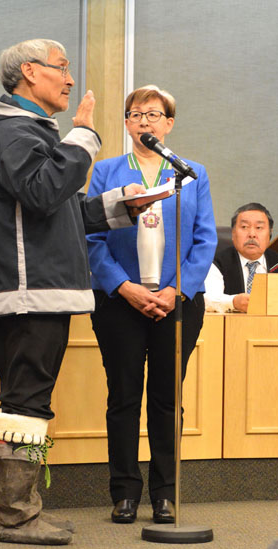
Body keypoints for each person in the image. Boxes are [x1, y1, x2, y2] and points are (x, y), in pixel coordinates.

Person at [0, 38, 145, 546]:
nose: (70, 80)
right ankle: (16, 517)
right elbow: (46, 190)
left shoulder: (29, 132)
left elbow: (58, 208)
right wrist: (85, 136)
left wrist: (118, 206)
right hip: (29, 291)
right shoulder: (11, 131)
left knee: (27, 399)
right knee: (25, 401)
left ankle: (22, 511)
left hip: (42, 289)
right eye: (62, 69)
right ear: (29, 71)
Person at [86, 85, 216, 525]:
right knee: (123, 396)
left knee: (166, 398)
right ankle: (124, 492)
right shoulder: (105, 171)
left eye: (154, 114)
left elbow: (205, 239)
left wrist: (175, 289)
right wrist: (124, 287)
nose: (144, 121)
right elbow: (92, 238)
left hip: (176, 302)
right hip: (119, 301)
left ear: (169, 123)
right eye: (135, 113)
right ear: (125, 123)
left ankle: (166, 493)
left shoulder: (191, 172)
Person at [204, 202, 278, 314]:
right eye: (244, 227)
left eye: (259, 228)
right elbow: (207, 299)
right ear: (233, 233)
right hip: (231, 328)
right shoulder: (216, 264)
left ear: (270, 234)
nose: (252, 234)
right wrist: (233, 302)